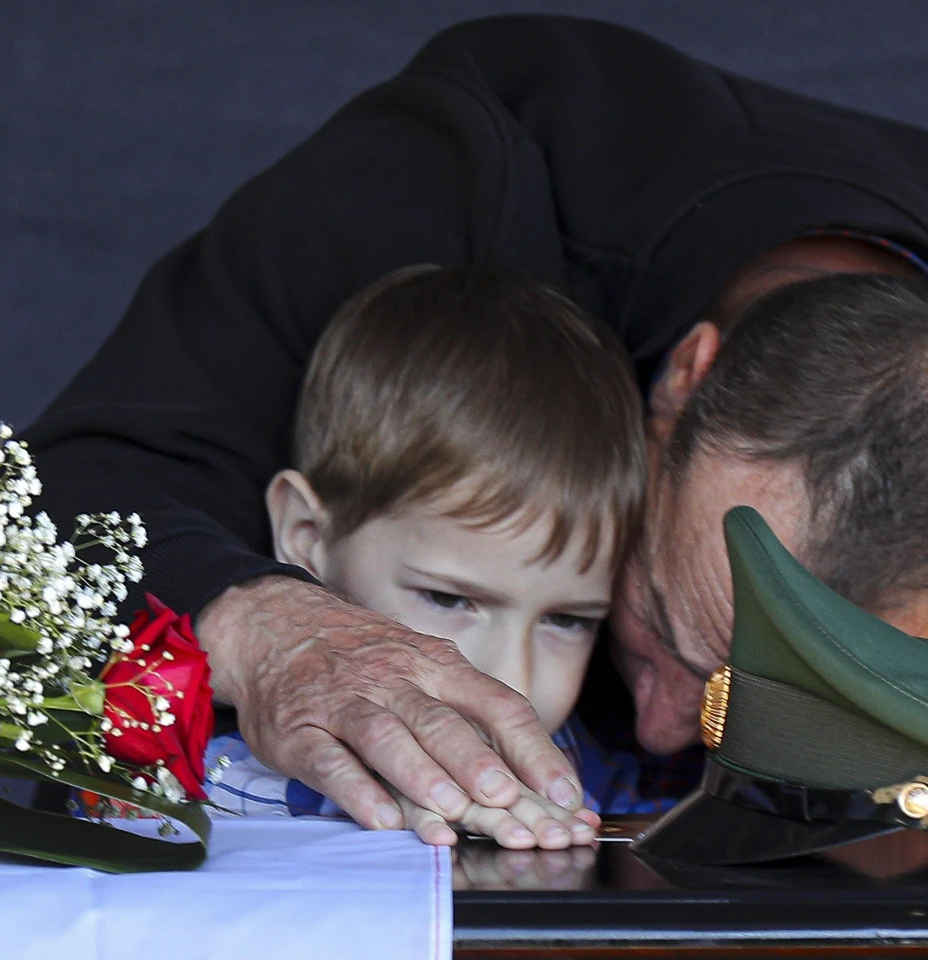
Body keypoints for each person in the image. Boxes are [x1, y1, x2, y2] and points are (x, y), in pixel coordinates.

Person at [23, 15, 928, 841]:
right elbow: (85, 483)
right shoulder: (466, 174)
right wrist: (277, 633)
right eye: (671, 627)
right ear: (684, 379)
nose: (676, 726)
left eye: (846, 690)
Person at [205, 264, 677, 847]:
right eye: (450, 598)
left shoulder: (615, 787)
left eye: (567, 620)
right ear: (305, 536)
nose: (515, 681)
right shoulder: (203, 791)